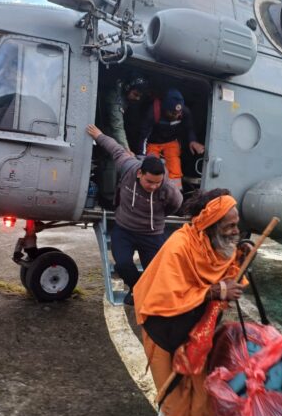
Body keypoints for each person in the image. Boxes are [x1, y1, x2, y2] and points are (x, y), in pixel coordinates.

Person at [133, 188, 249, 416]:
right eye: (229, 226)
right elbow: (166, 297)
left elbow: (227, 275)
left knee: (201, 400)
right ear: (211, 226)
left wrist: (240, 259)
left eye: (236, 224)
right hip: (163, 331)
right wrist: (215, 291)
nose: (235, 231)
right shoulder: (179, 245)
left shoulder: (221, 247)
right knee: (173, 404)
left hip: (196, 332)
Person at [86, 123, 183, 306]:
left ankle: (146, 293)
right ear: (140, 173)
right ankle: (137, 288)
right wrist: (98, 135)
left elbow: (176, 204)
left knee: (156, 271)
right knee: (123, 265)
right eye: (150, 182)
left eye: (157, 182)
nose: (154, 186)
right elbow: (115, 149)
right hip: (125, 229)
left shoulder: (167, 188)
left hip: (152, 234)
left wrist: (158, 217)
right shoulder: (129, 167)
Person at [96, 74, 150, 206]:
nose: (137, 98)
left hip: (110, 131)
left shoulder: (125, 97)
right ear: (127, 88)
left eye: (140, 96)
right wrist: (126, 149)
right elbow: (117, 127)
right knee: (112, 160)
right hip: (105, 131)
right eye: (135, 94)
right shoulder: (116, 100)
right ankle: (108, 199)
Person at [139, 88, 205, 190]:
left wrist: (193, 141)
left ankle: (176, 191)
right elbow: (143, 135)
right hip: (153, 143)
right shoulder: (153, 112)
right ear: (165, 109)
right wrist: (141, 155)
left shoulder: (184, 112)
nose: (177, 116)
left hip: (171, 142)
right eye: (173, 113)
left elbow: (189, 128)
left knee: (175, 166)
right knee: (152, 166)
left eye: (178, 113)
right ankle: (152, 190)